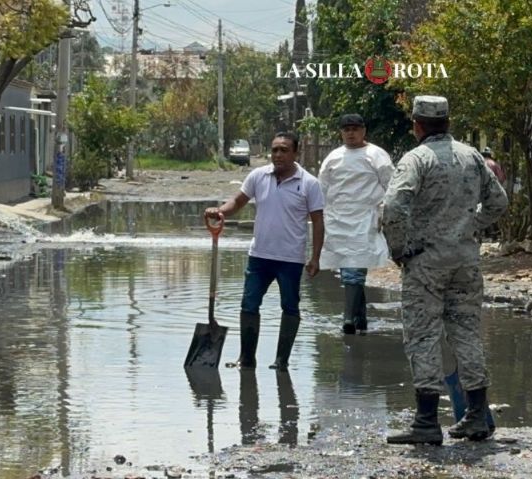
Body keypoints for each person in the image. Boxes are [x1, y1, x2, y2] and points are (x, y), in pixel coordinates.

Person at [382, 96, 508, 445]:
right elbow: (499, 202)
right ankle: (477, 416)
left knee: (423, 336)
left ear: (416, 124)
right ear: (448, 123)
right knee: (467, 332)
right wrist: (469, 226)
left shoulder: (416, 160)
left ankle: (425, 422)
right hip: (465, 260)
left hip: (425, 262)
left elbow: (393, 208)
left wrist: (399, 249)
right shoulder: (472, 157)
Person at [204, 132, 324, 372]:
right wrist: (220, 212)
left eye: (284, 150)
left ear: (295, 153)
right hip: (259, 256)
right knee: (249, 304)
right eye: (275, 150)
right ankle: (247, 358)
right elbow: (238, 201)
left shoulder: (309, 183)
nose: (278, 155)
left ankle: (282, 361)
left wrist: (315, 258)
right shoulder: (259, 176)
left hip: (290, 259)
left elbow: (318, 222)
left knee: (290, 306)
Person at [318, 113, 394, 335]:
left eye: (355, 129)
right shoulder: (333, 157)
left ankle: (348, 318)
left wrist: (384, 215)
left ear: (363, 130)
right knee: (347, 269)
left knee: (355, 270)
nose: (350, 133)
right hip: (337, 221)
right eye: (346, 129)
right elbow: (322, 189)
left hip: (365, 220)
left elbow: (391, 186)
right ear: (341, 132)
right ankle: (361, 319)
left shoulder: (376, 155)